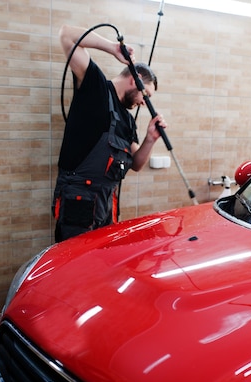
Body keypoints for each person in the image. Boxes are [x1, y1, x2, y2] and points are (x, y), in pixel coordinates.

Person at [52, 24, 167, 242]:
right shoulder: (94, 87)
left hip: (106, 203)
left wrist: (150, 139)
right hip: (79, 199)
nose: (145, 103)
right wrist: (112, 48)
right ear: (135, 80)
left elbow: (137, 163)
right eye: (147, 95)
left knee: (102, 264)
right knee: (77, 263)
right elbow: (66, 34)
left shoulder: (126, 119)